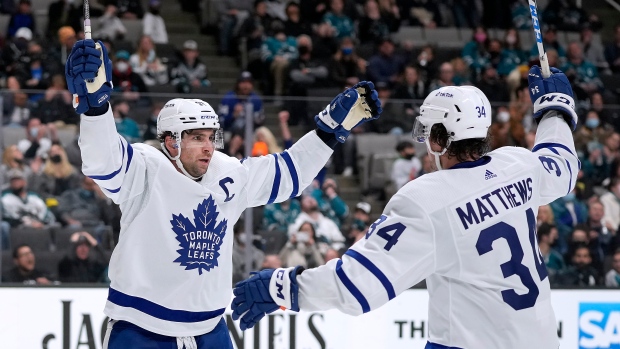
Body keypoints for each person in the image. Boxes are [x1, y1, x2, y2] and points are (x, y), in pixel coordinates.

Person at [232, 65, 580, 349]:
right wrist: (555, 109)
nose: (425, 144)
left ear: (441, 139)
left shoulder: (427, 199)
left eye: (428, 133)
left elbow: (357, 287)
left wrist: (280, 286)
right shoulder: (517, 164)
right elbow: (561, 163)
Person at [64, 39, 381, 348]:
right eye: (197, 137)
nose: (208, 147)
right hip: (140, 329)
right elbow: (103, 162)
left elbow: (291, 174)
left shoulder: (228, 172)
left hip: (210, 329)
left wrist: (328, 132)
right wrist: (95, 110)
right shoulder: (145, 169)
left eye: (211, 137)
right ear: (172, 142)